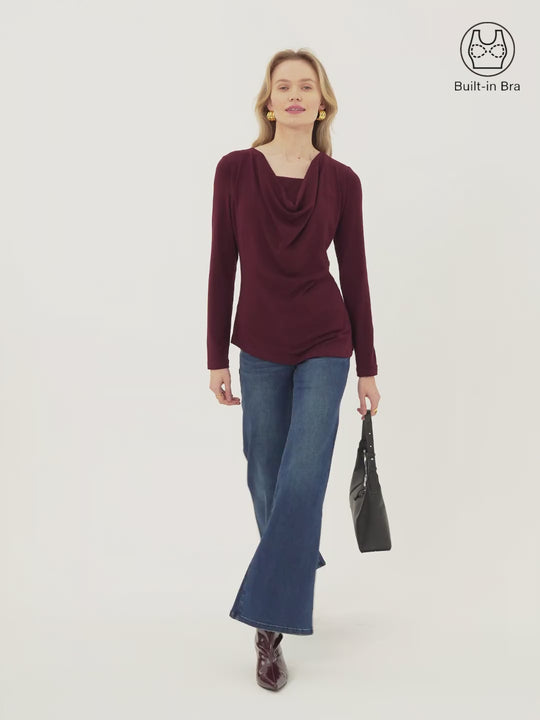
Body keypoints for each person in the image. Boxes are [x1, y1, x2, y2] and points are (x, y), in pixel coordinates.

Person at [206, 48, 381, 691]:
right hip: (258, 344)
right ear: (269, 102)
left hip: (326, 342)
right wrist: (215, 356)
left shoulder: (342, 181)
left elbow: (355, 274)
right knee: (263, 472)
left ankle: (269, 626)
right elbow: (222, 264)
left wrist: (367, 366)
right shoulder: (234, 171)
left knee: (303, 474)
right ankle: (295, 558)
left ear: (323, 103)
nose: (296, 94)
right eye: (284, 86)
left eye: (307, 86)